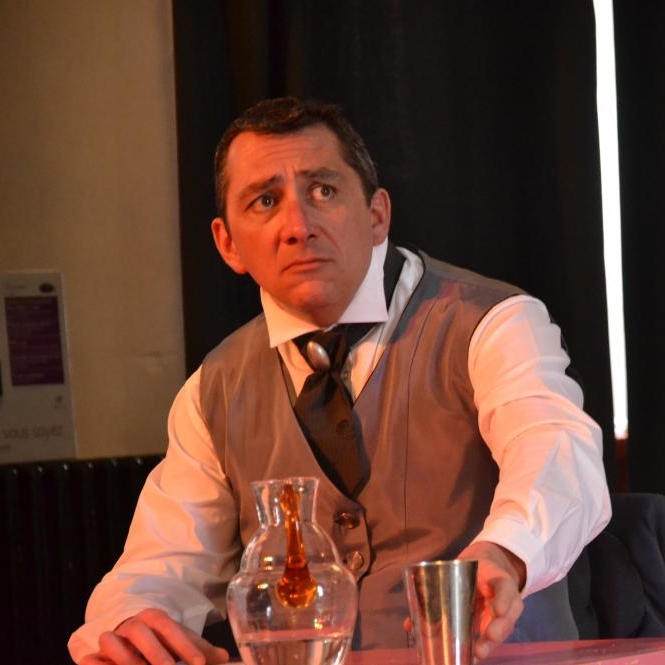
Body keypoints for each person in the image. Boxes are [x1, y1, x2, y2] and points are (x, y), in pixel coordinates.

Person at [68, 97, 611, 664]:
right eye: (265, 201)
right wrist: (129, 619)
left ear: (377, 215)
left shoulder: (492, 323)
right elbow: (160, 566)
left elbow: (558, 454)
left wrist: (504, 552)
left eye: (323, 191)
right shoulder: (212, 391)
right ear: (228, 243)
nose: (298, 227)